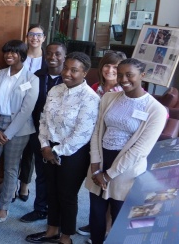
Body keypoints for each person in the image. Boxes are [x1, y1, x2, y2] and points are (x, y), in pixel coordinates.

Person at [85, 58, 167, 244]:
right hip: (101, 161)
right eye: (120, 74)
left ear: (142, 76)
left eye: (129, 75)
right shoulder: (108, 98)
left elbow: (140, 149)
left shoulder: (156, 110)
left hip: (127, 170)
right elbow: (97, 131)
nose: (124, 79)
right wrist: (96, 166)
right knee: (96, 214)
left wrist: (108, 175)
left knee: (120, 217)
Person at [25, 52, 100, 244]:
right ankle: (51, 231)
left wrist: (55, 151)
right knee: (52, 191)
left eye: (74, 70)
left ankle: (66, 237)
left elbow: (82, 134)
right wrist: (44, 146)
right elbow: (43, 120)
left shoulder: (90, 98)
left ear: (85, 73)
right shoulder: (55, 90)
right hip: (48, 148)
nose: (67, 73)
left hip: (73, 154)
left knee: (67, 196)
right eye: (66, 68)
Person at [0, 40, 38, 223]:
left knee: (10, 169)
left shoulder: (31, 79)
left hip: (19, 129)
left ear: (22, 55)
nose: (9, 56)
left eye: (13, 53)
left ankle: (4, 207)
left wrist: (8, 133)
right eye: (6, 52)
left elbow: (26, 110)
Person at [76, 50, 127, 236]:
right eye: (107, 65)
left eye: (116, 67)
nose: (110, 70)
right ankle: (95, 224)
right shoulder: (95, 86)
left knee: (109, 188)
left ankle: (106, 230)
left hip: (112, 145)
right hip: (91, 142)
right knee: (95, 186)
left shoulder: (124, 91)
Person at [19, 42, 67, 224]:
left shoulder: (69, 79)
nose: (53, 57)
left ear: (64, 56)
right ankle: (40, 209)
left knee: (61, 177)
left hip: (62, 136)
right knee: (41, 173)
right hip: (38, 132)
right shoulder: (36, 76)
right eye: (49, 54)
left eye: (58, 54)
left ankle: (60, 213)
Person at [17, 25, 49, 200]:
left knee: (30, 150)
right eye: (31, 34)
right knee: (14, 150)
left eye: (38, 35)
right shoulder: (20, 56)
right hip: (17, 108)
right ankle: (11, 183)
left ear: (43, 38)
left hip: (38, 111)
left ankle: (24, 185)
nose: (34, 38)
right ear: (27, 36)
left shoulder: (47, 59)